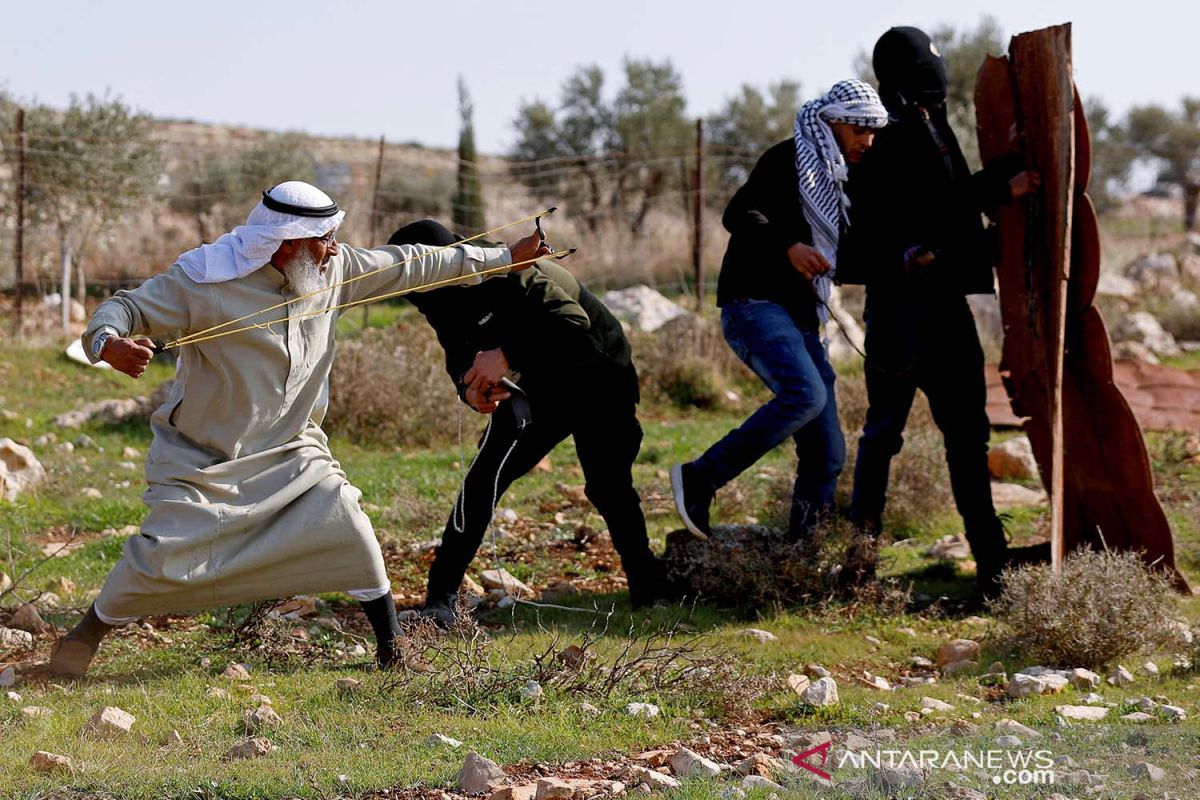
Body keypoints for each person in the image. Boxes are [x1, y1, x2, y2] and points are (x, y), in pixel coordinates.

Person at [48, 182, 548, 677]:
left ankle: (394, 651)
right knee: (158, 558)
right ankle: (81, 642)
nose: (335, 249)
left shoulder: (335, 269)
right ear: (287, 245)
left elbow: (416, 262)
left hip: (294, 450)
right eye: (324, 240)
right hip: (206, 459)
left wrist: (503, 257)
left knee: (350, 525)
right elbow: (125, 308)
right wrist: (106, 343)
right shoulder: (202, 278)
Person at [837, 26, 1044, 594]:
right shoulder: (886, 131)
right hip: (901, 310)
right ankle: (859, 570)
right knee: (882, 436)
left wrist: (1003, 180)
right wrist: (1000, 187)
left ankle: (993, 564)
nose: (937, 72)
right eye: (926, 64)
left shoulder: (935, 126)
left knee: (966, 437)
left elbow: (949, 205)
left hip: (946, 310)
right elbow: (922, 209)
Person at [387, 220, 671, 623]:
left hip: (599, 370)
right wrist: (468, 390)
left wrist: (506, 355)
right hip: (540, 385)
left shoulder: (508, 267)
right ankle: (440, 599)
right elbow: (458, 351)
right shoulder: (429, 290)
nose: (419, 289)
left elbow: (572, 323)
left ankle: (649, 587)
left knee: (608, 485)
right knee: (483, 481)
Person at [670, 80, 888, 542]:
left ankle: (802, 558)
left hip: (802, 316)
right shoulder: (787, 158)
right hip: (754, 303)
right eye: (858, 129)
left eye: (873, 131)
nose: (867, 141)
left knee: (827, 451)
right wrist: (789, 247)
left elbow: (849, 251)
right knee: (805, 395)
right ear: (831, 122)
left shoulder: (845, 179)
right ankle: (700, 478)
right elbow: (739, 213)